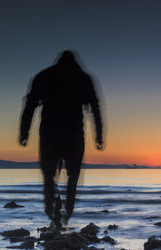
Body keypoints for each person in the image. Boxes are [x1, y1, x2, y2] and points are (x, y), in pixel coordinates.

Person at [19, 50, 104, 229]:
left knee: (49, 176)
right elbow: (95, 108)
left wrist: (24, 132)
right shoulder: (83, 79)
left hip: (49, 134)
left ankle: (53, 214)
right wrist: (99, 135)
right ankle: (67, 213)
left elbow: (30, 105)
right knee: (73, 177)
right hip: (73, 134)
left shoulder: (44, 76)